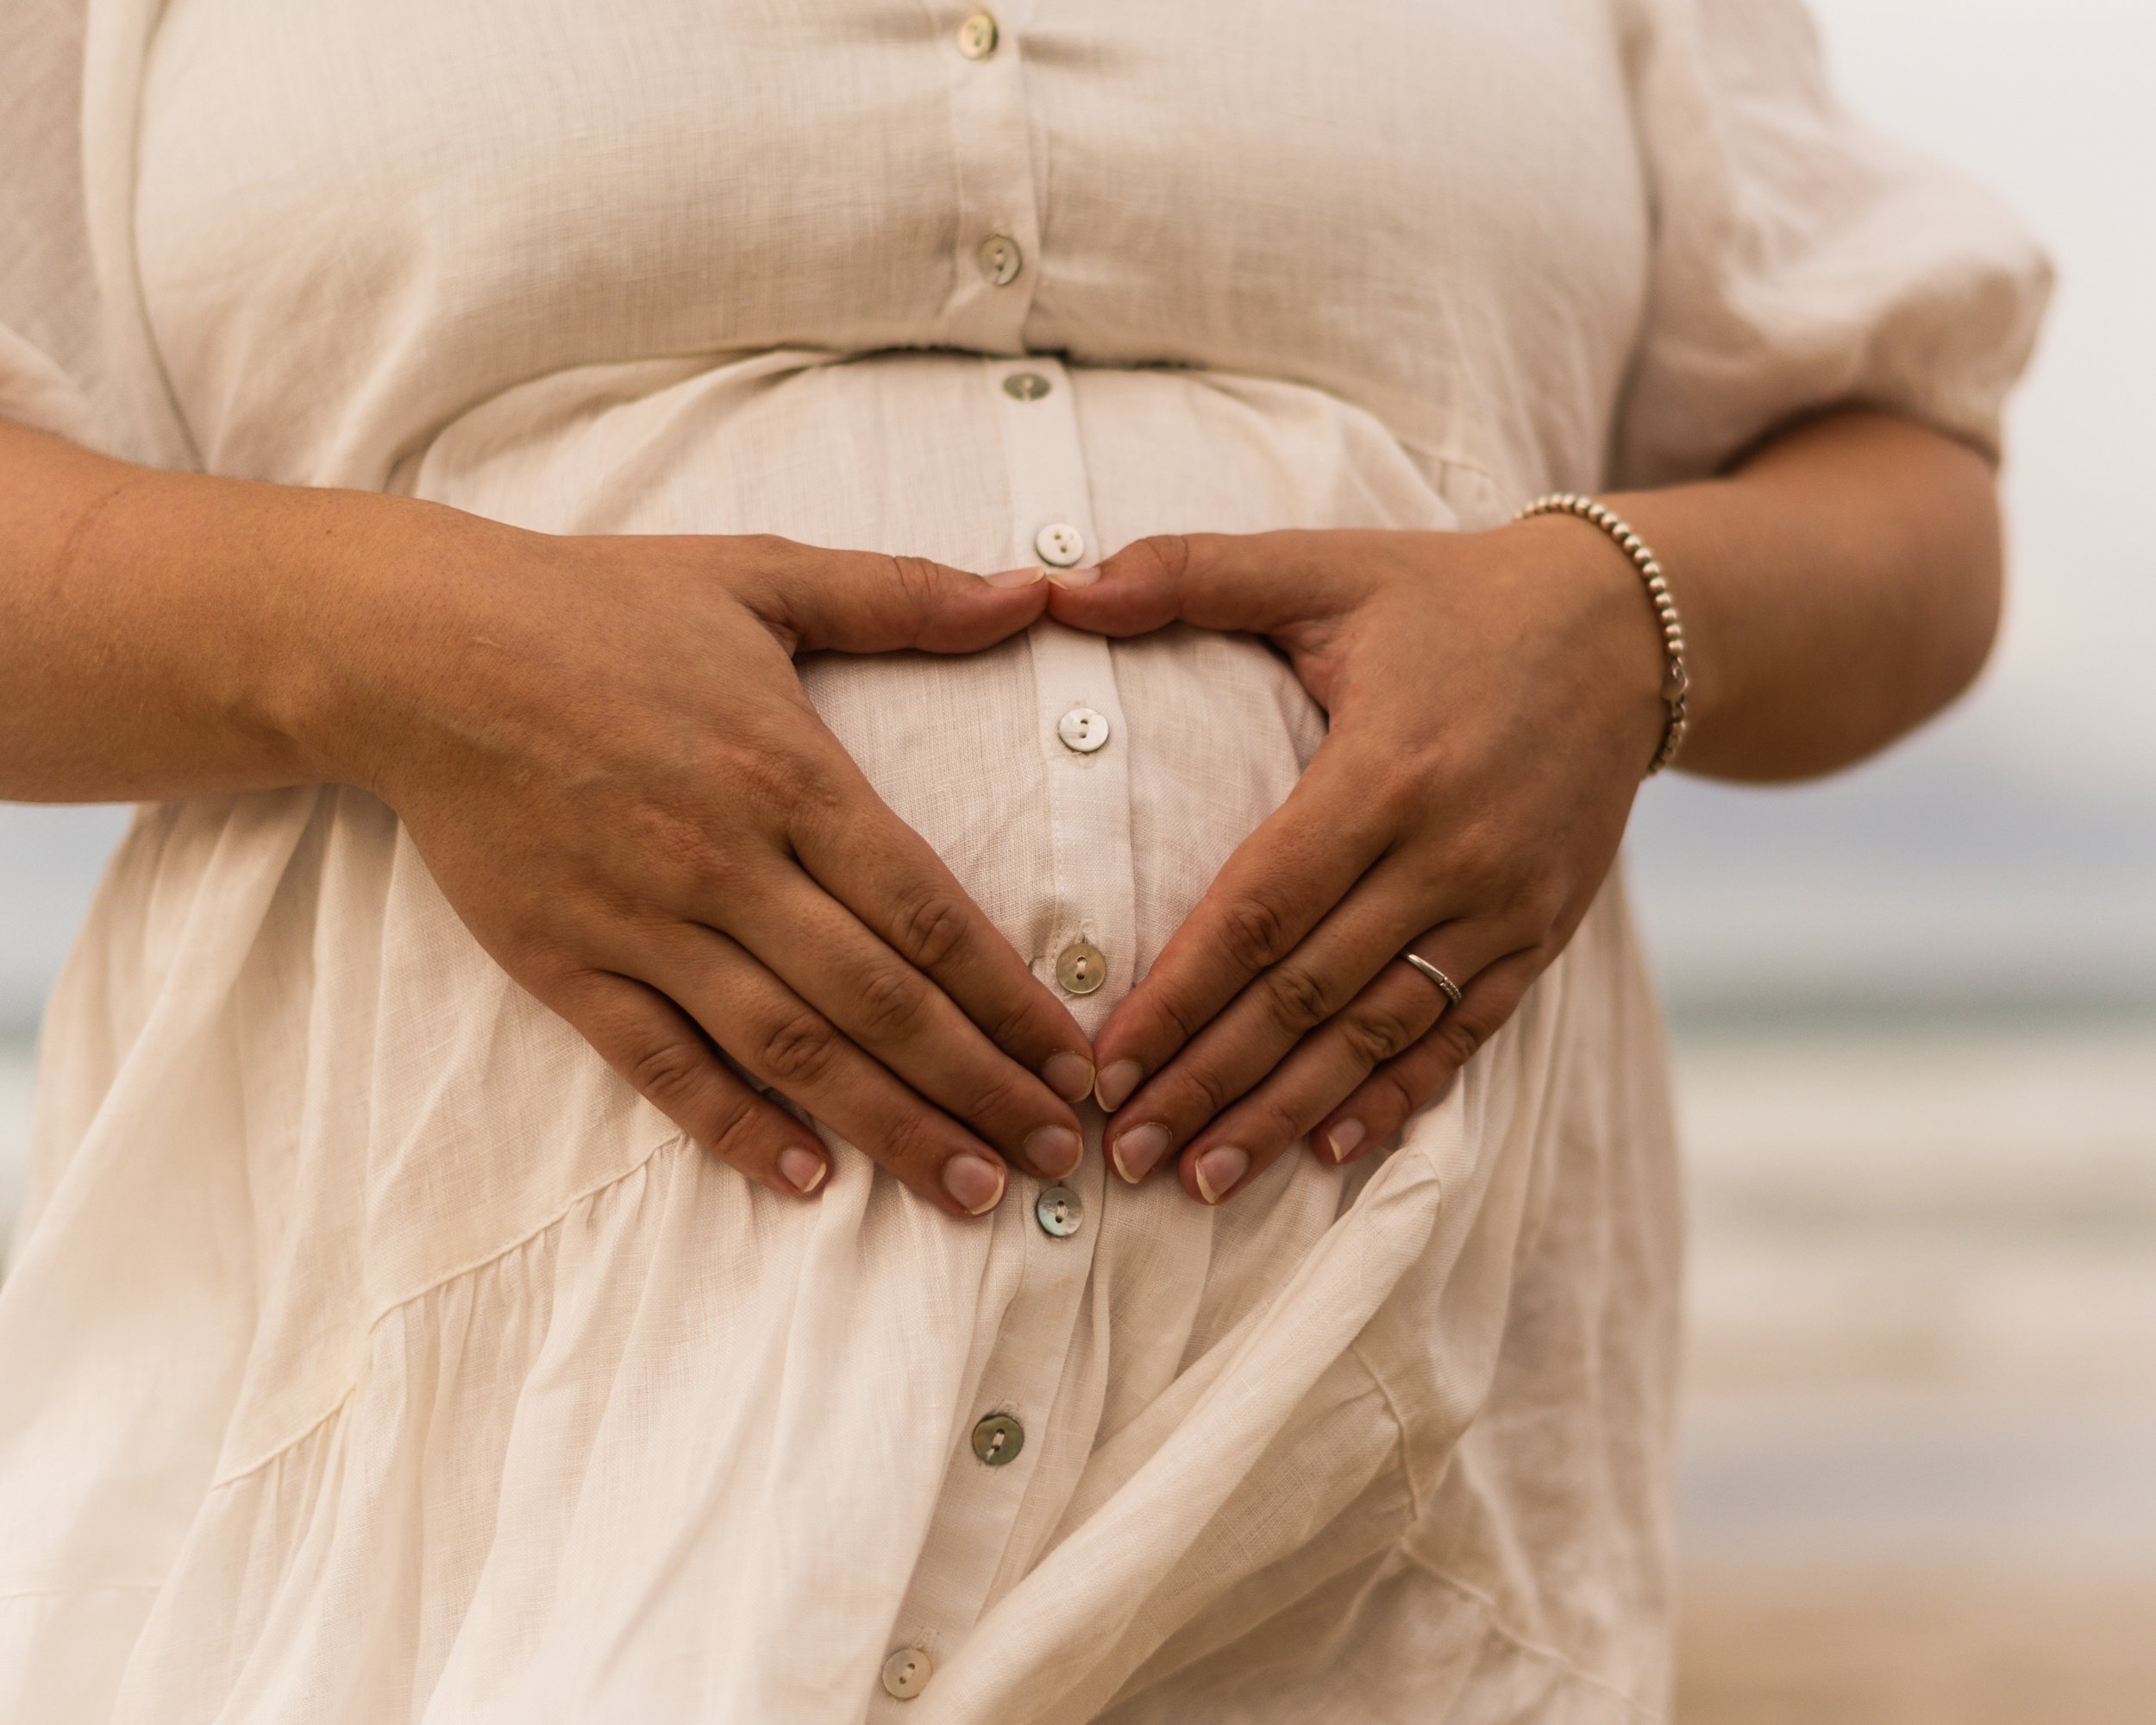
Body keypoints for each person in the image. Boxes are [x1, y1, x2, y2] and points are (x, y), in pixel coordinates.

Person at [0, 2, 2046, 1719]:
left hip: (1376, 1501)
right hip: (455, 1498)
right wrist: (362, 638)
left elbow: (1902, 487)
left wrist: (1619, 620)